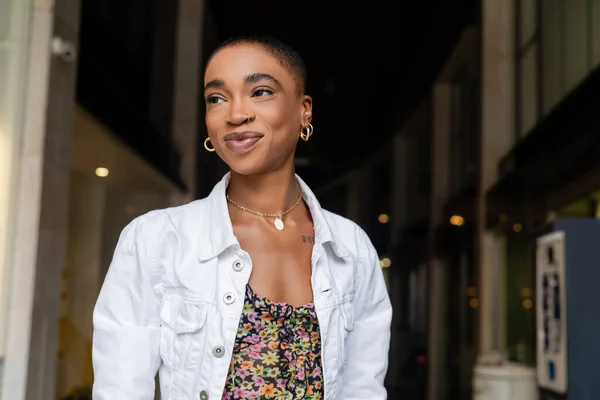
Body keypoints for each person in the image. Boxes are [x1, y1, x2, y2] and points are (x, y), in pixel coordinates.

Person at [92, 35, 392, 400]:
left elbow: (363, 390)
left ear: (304, 110)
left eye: (261, 92)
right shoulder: (156, 239)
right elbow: (120, 390)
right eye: (216, 99)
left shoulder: (352, 249)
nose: (235, 114)